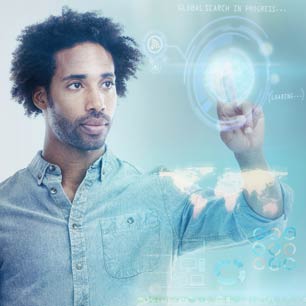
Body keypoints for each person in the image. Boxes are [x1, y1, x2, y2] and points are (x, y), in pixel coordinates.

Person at [0, 8, 292, 306]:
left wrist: (250, 154)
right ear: (41, 97)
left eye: (107, 84)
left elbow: (261, 219)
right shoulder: (5, 210)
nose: (97, 102)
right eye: (76, 85)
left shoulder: (159, 195)